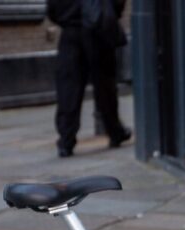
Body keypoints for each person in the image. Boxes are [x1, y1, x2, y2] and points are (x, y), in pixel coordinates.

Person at [47, 0, 132, 157]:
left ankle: (66, 141)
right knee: (105, 86)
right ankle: (114, 131)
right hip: (97, 31)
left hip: (70, 33)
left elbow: (52, 8)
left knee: (68, 88)